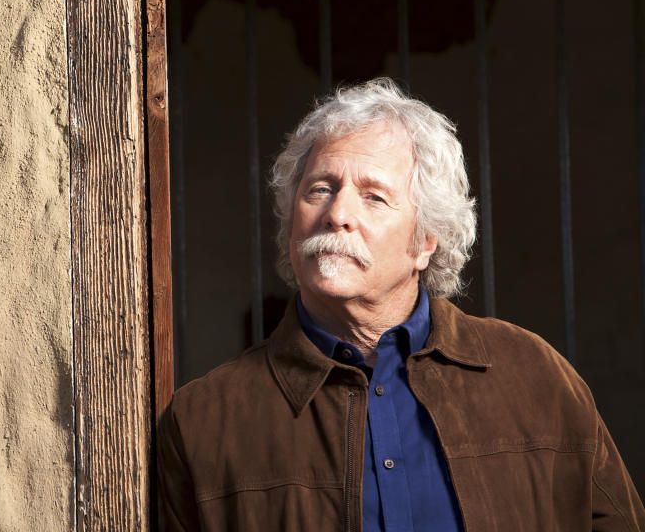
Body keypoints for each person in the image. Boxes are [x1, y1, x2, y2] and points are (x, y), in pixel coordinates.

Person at [157, 78, 645, 531]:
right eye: (320, 189)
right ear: (291, 224)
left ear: (426, 240)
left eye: (373, 197)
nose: (337, 214)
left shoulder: (537, 378)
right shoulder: (203, 419)